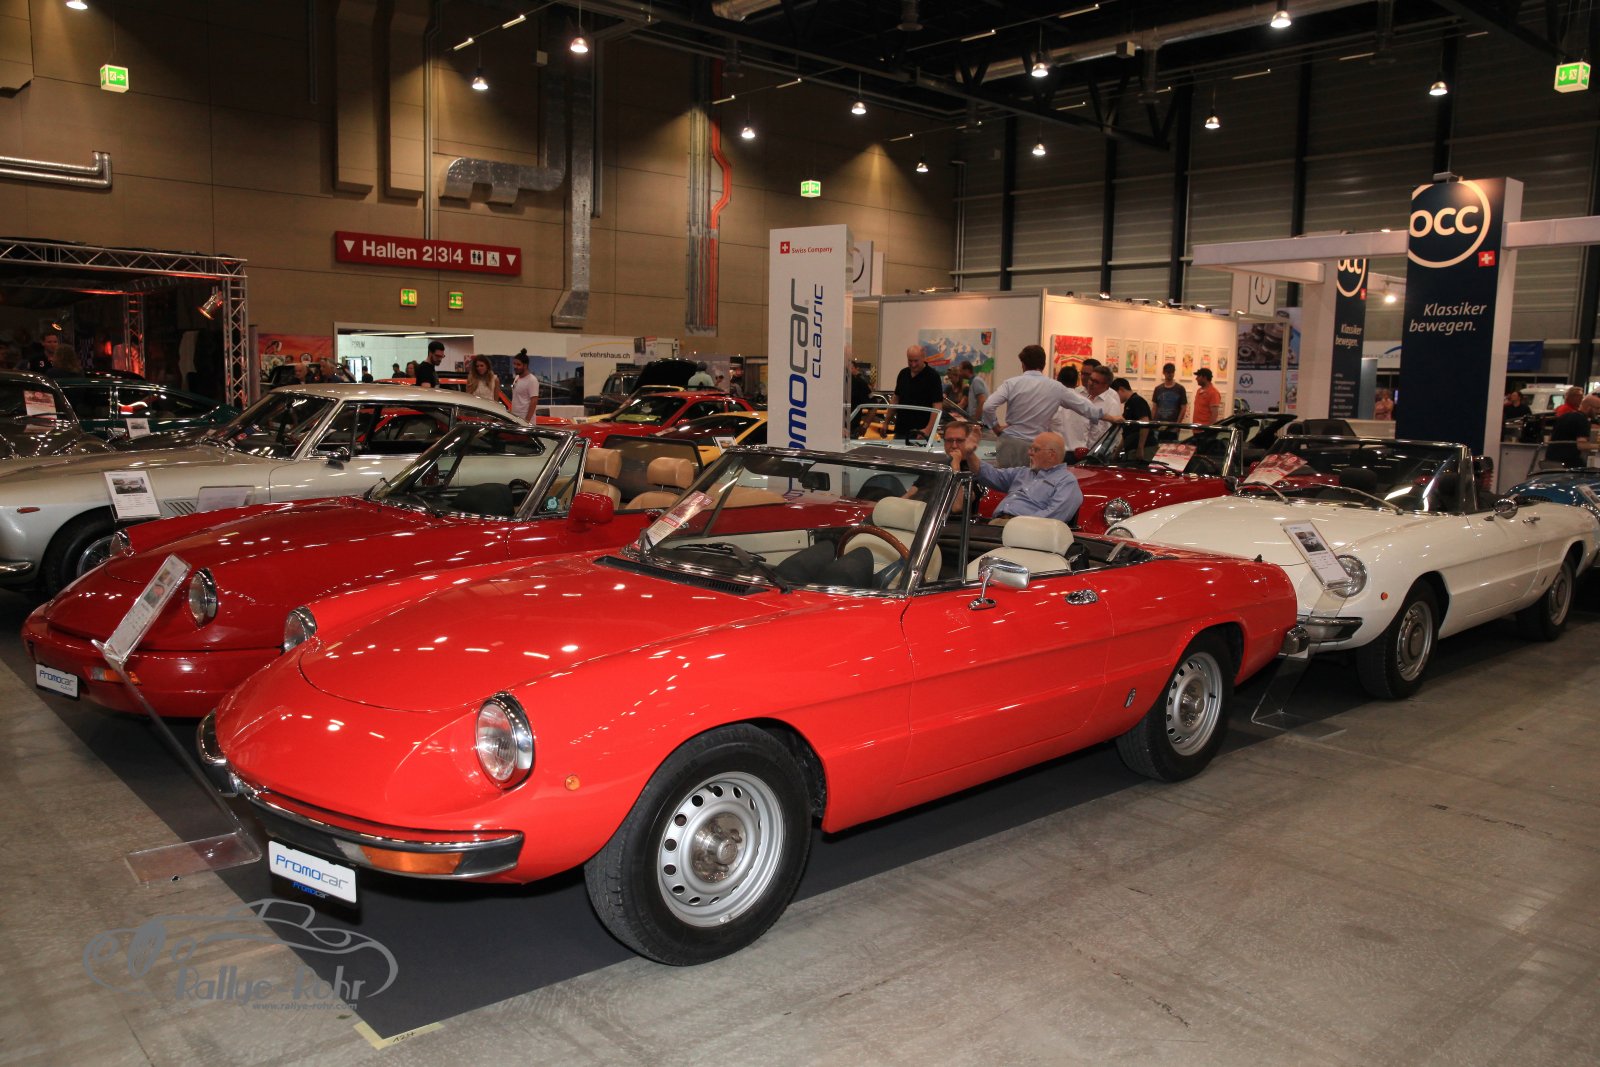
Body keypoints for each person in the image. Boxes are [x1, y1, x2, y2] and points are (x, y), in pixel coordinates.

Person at [983, 344, 1120, 467]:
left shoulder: (1011, 383)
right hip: (1037, 446)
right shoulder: (1055, 387)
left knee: (1005, 483)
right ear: (1044, 364)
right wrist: (1112, 418)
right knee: (1033, 484)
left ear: (1023, 364)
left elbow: (988, 406)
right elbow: (1085, 407)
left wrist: (995, 427)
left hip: (1010, 442)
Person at [959, 429, 1082, 524]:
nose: (1029, 453)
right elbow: (989, 474)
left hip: (1026, 533)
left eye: (1035, 449)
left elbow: (1053, 517)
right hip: (998, 525)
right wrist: (970, 454)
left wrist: (1019, 525)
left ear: (1051, 455)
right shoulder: (1023, 472)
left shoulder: (1066, 481)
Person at [890, 345, 942, 441]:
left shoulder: (933, 376)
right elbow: (895, 399)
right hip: (901, 430)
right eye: (910, 361)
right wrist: (886, 422)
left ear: (923, 358)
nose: (913, 364)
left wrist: (928, 430)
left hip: (921, 432)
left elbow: (937, 406)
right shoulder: (903, 374)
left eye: (916, 361)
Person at [1546, 394, 1600, 466]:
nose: (1599, 411)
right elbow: (1581, 445)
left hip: (1550, 460)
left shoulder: (1564, 416)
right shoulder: (1582, 420)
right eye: (1597, 408)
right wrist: (1597, 446)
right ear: (1589, 408)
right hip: (1568, 462)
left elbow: (1549, 439)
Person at [1081, 365, 1124, 447]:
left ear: (1106, 386)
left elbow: (1112, 436)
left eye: (1096, 382)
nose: (1090, 383)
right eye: (1091, 379)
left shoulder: (1111, 404)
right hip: (1081, 447)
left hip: (1096, 451)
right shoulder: (1085, 398)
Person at [511, 351, 540, 420]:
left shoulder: (532, 380)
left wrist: (526, 421)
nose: (515, 366)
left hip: (525, 420)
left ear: (525, 365)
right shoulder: (517, 377)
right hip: (516, 418)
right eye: (514, 364)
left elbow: (534, 402)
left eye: (518, 364)